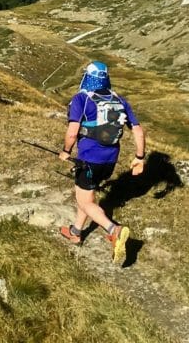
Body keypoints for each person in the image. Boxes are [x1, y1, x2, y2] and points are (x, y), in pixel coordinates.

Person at [58, 61, 146, 265]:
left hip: (89, 158)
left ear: (87, 78)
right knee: (86, 196)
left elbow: (72, 132)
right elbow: (138, 131)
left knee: (85, 201)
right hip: (110, 160)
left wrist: (65, 151)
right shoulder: (120, 100)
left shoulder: (82, 98)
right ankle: (76, 232)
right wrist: (139, 158)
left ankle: (114, 230)